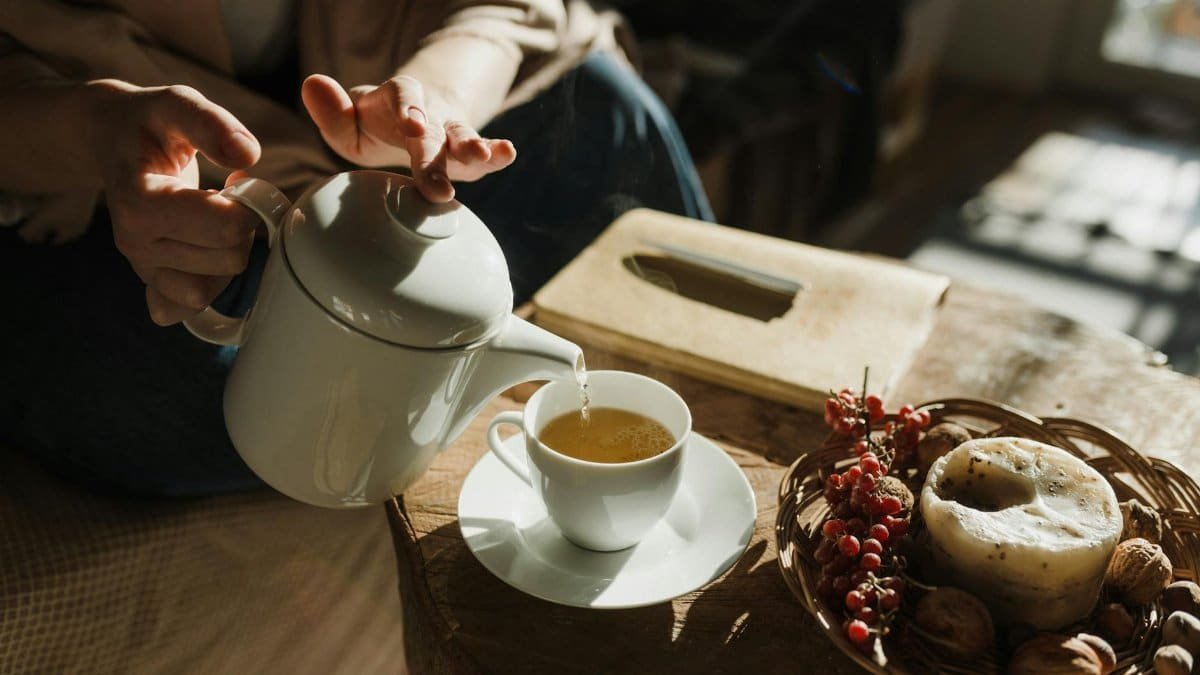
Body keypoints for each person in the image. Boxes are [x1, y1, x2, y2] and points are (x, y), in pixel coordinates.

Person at [0, 0, 712, 497]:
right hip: (117, 200)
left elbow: (506, 8)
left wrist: (432, 99)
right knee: (154, 390)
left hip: (411, 123)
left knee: (613, 116)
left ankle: (710, 451)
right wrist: (90, 127)